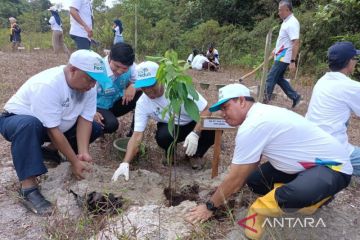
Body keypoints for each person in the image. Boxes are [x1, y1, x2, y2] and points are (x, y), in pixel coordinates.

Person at [186, 83, 352, 239]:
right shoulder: (260, 113)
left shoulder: (254, 124)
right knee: (255, 181)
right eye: (220, 110)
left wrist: (210, 206)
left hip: (333, 167)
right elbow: (245, 171)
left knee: (291, 195)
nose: (222, 113)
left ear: (242, 101)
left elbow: (236, 179)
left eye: (225, 107)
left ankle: (309, 199)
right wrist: (228, 189)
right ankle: (305, 190)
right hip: (304, 165)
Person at [0, 50, 110, 216]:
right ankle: (28, 189)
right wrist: (74, 162)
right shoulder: (49, 84)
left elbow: (85, 120)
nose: (92, 85)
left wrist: (83, 153)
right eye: (90, 79)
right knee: (29, 124)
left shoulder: (88, 89)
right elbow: (52, 130)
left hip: (52, 124)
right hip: (19, 121)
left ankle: (50, 152)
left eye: (95, 81)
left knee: (94, 127)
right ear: (73, 69)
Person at [111, 61, 216, 181]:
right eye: (144, 86)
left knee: (212, 129)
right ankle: (169, 152)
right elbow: (136, 136)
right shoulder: (142, 103)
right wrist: (125, 163)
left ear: (161, 79)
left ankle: (195, 154)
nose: (148, 90)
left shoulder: (178, 89)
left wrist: (195, 133)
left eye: (151, 85)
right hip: (170, 126)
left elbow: (207, 109)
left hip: (192, 123)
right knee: (163, 137)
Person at [306, 41, 360, 176]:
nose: (356, 62)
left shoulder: (322, 80)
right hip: (332, 149)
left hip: (309, 141)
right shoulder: (351, 86)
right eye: (355, 58)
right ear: (349, 61)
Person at [94, 42, 142, 136]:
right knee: (112, 125)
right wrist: (91, 112)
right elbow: (84, 95)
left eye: (124, 69)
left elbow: (144, 81)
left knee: (141, 95)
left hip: (116, 102)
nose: (120, 71)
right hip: (98, 106)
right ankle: (97, 130)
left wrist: (133, 86)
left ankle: (133, 135)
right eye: (116, 66)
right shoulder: (98, 69)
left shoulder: (131, 67)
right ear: (109, 57)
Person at [264, 0, 301, 108]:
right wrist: (276, 49)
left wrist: (292, 61)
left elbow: (296, 42)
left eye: (280, 10)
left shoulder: (292, 23)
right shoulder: (286, 21)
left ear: (287, 10)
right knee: (278, 78)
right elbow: (285, 40)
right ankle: (295, 97)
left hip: (284, 57)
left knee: (270, 78)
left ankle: (265, 102)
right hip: (280, 54)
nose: (279, 13)